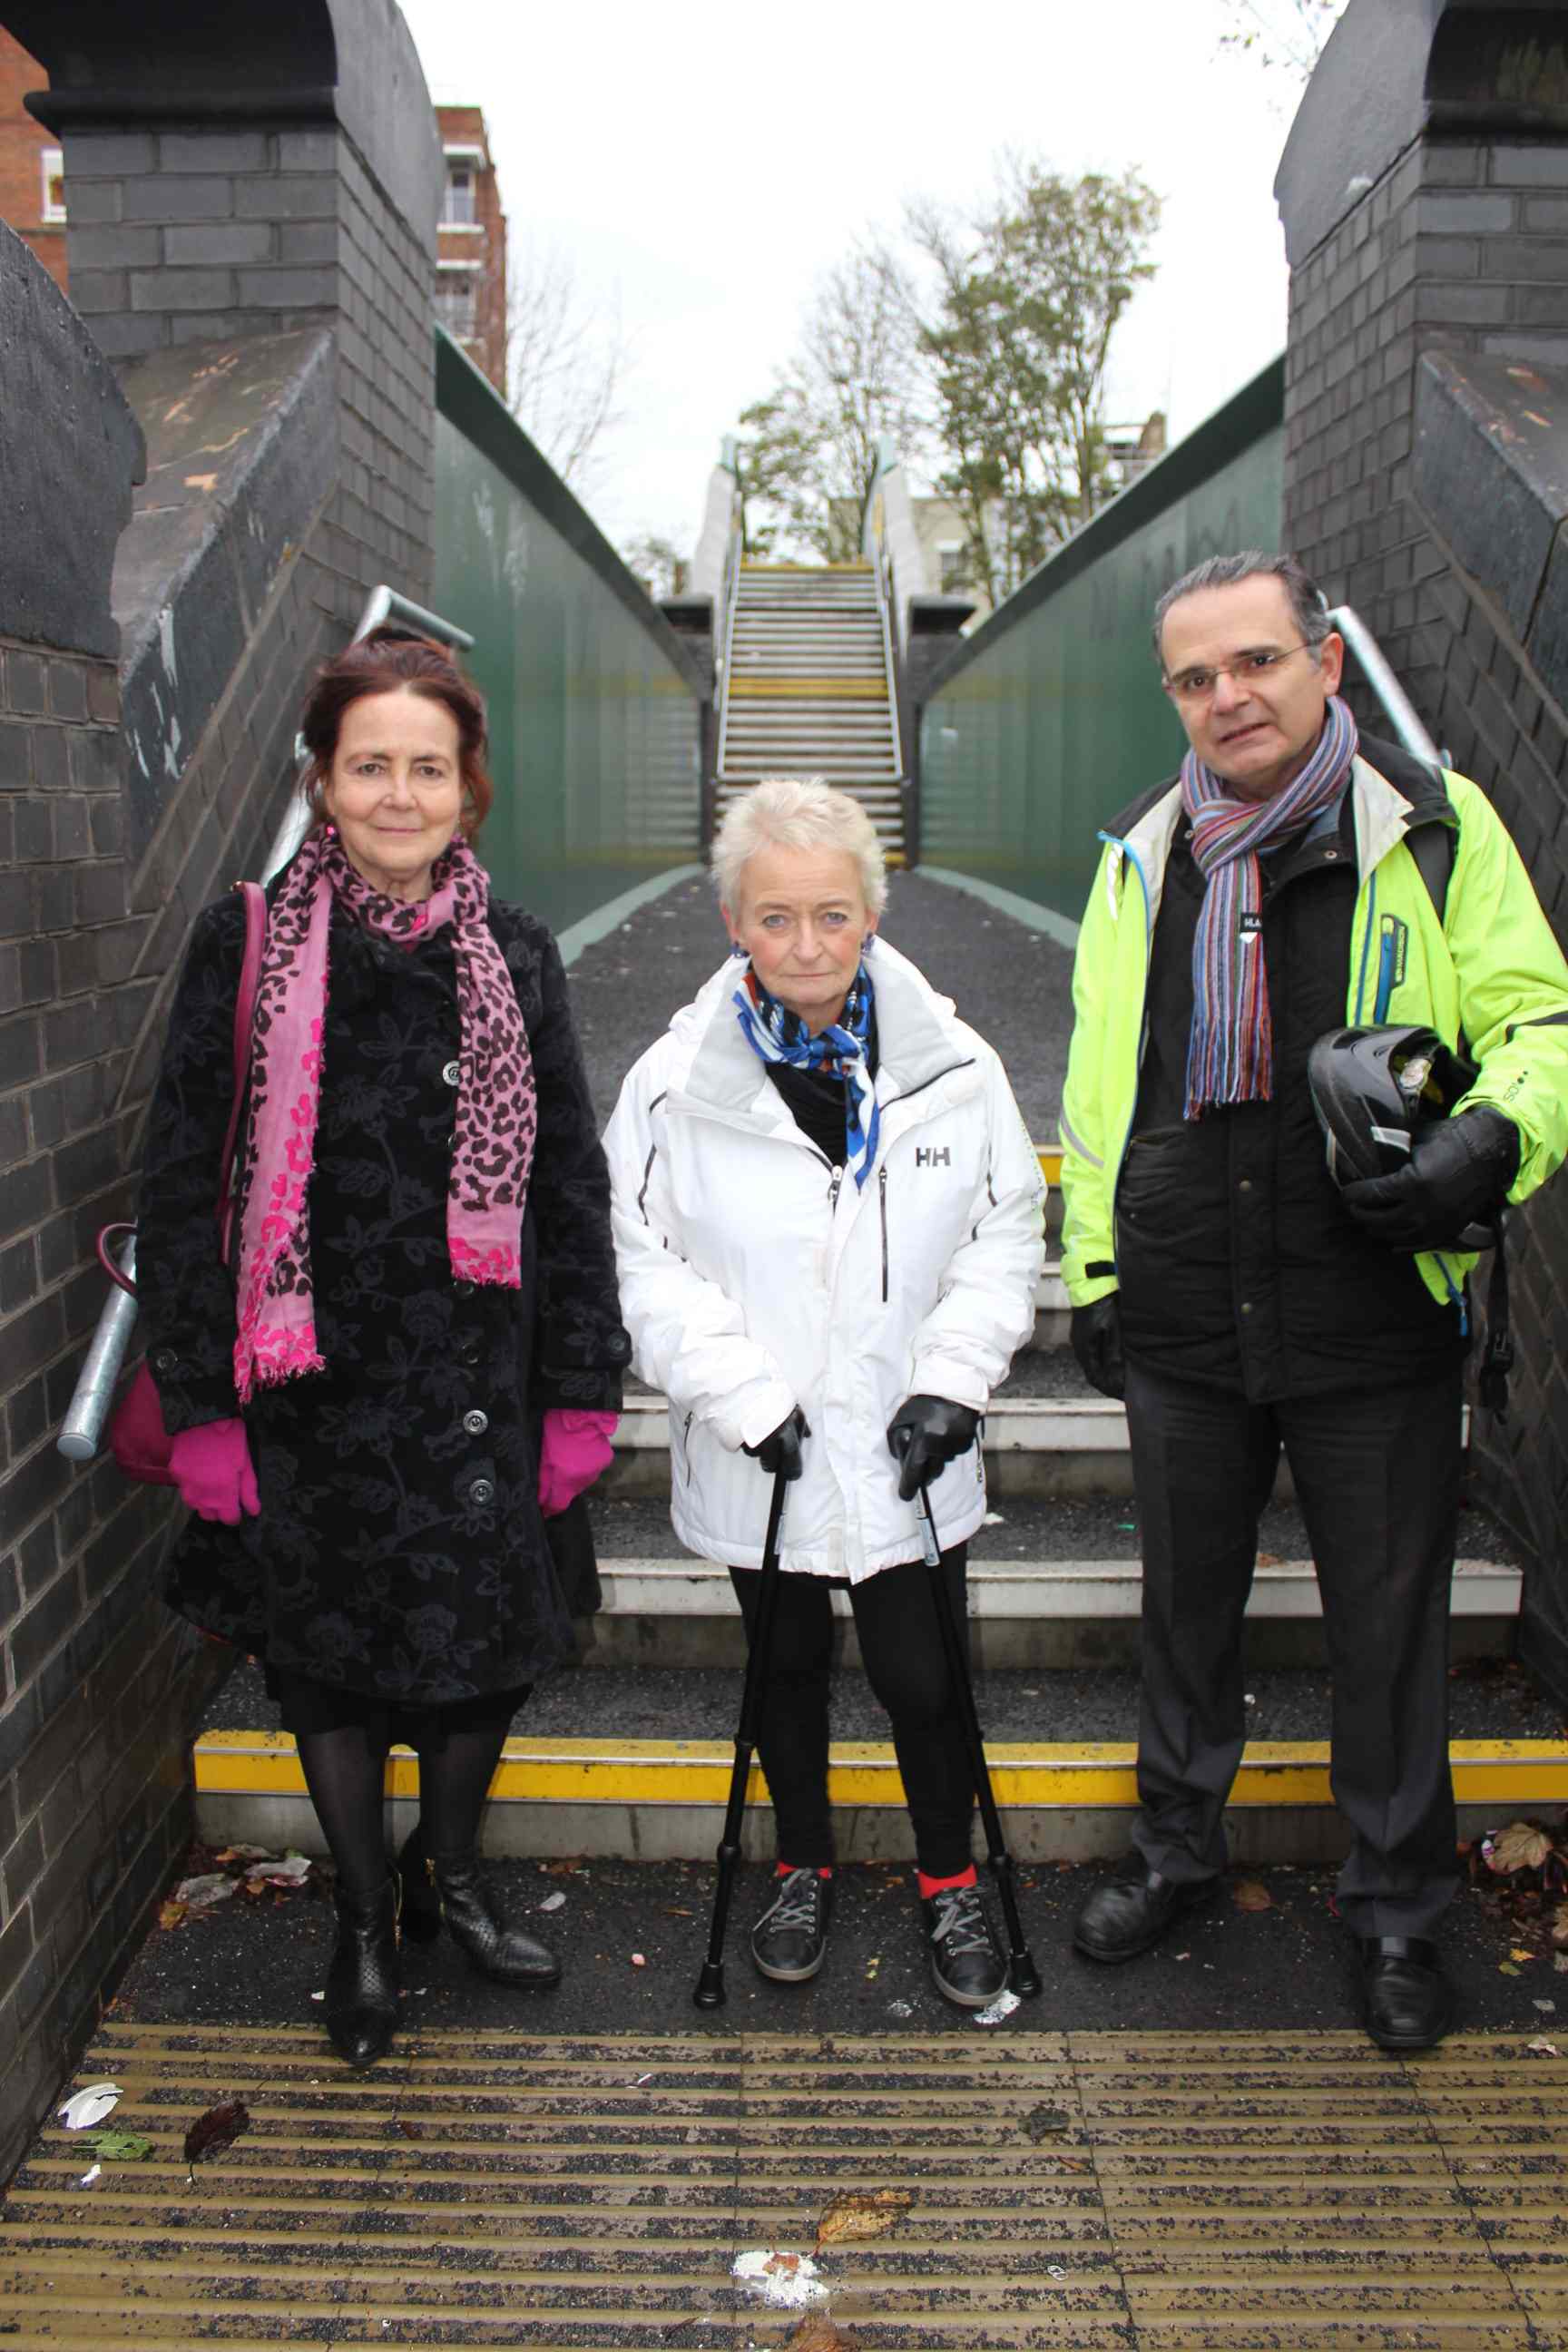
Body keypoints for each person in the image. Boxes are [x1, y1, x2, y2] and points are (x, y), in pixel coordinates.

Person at [1059, 551, 1568, 2048]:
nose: (1230, 696)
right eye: (1197, 677)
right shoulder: (1145, 852)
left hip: (1373, 1302)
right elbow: (1105, 1086)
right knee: (1184, 1616)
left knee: (1389, 1631)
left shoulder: (1436, 825)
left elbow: (1539, 1022)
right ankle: (1175, 1854)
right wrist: (1098, 1263)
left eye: (1258, 662)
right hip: (1185, 1300)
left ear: (1325, 662)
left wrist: (1487, 1145)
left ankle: (1402, 1914)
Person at [137, 631, 631, 2068]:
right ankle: (362, 1917)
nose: (400, 795)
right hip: (307, 1388)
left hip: (479, 1379)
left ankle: (450, 1875)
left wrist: (579, 1390)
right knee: (331, 1674)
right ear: (325, 782)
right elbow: (179, 1184)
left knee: (486, 1664)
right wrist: (199, 1410)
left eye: (428, 767)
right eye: (372, 767)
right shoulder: (246, 944)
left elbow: (572, 1186)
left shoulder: (519, 954)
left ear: (467, 788)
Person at [603, 778, 1044, 2007]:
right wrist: (743, 1395)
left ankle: (949, 1883)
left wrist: (955, 1381)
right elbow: (634, 1255)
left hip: (909, 1445)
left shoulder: (957, 1065)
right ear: (735, 920)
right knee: (784, 1665)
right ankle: (801, 1863)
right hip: (768, 1449)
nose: (807, 945)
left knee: (923, 1676)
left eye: (833, 916)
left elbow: (1006, 1228)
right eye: (777, 916)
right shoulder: (670, 1083)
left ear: (872, 915)